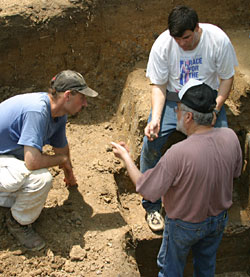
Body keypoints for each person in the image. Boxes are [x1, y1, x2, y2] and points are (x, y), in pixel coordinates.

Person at [111, 79, 242, 276]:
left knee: (171, 269)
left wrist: (126, 158)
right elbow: (235, 173)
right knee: (206, 266)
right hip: (218, 221)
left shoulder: (178, 153)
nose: (175, 113)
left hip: (184, 225)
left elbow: (146, 189)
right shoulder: (230, 137)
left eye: (178, 109)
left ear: (189, 116)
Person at [141, 5, 238, 232]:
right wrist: (155, 118)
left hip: (207, 99)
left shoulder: (217, 40)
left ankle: (216, 202)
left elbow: (226, 78)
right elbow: (158, 85)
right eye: (177, 39)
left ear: (196, 28)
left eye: (186, 38)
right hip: (174, 100)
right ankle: (152, 206)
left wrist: (215, 109)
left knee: (220, 145)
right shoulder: (163, 45)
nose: (182, 44)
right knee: (151, 142)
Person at [0, 69, 98, 251]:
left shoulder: (58, 114)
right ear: (68, 95)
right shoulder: (37, 111)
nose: (85, 103)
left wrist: (69, 173)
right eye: (82, 97)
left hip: (6, 156)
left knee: (24, 179)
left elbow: (61, 148)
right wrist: (60, 159)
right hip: (4, 158)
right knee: (40, 179)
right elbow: (32, 162)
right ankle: (17, 223)